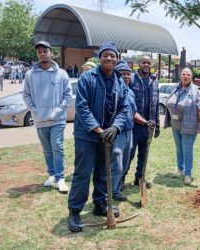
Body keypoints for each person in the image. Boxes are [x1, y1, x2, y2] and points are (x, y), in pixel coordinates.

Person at [67, 42, 128, 233]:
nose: (109, 58)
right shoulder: (87, 77)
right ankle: (75, 210)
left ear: (117, 59)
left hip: (108, 136)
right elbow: (82, 107)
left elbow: (124, 108)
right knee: (83, 173)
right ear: (99, 57)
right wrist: (97, 129)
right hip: (87, 135)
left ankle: (100, 204)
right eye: (105, 55)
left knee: (104, 172)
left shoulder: (119, 81)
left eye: (113, 55)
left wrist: (116, 127)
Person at [23, 41, 72, 194]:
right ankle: (51, 175)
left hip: (57, 119)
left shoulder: (62, 73)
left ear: (51, 53)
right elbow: (26, 94)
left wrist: (59, 110)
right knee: (47, 150)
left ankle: (60, 178)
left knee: (57, 147)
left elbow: (68, 95)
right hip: (40, 119)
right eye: (39, 52)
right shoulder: (30, 74)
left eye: (45, 51)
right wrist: (34, 110)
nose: (42, 54)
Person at [164, 68, 200, 185]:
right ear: (180, 76)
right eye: (183, 74)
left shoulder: (196, 91)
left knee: (187, 149)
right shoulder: (176, 89)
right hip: (175, 125)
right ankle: (179, 168)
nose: (185, 76)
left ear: (191, 77)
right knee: (179, 148)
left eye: (188, 75)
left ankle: (188, 174)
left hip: (189, 125)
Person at [129, 54, 160, 188]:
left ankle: (139, 178)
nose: (146, 65)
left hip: (149, 125)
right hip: (134, 125)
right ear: (139, 64)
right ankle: (120, 180)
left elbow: (156, 104)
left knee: (144, 154)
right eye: (144, 62)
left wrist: (157, 124)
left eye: (148, 63)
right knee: (129, 154)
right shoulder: (131, 79)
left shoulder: (154, 81)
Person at [109, 60, 137, 201]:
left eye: (128, 73)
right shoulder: (113, 90)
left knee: (125, 163)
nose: (126, 76)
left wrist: (146, 121)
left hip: (129, 132)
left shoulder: (130, 92)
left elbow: (133, 112)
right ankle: (111, 191)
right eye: (122, 73)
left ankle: (118, 187)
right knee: (117, 164)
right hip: (118, 133)